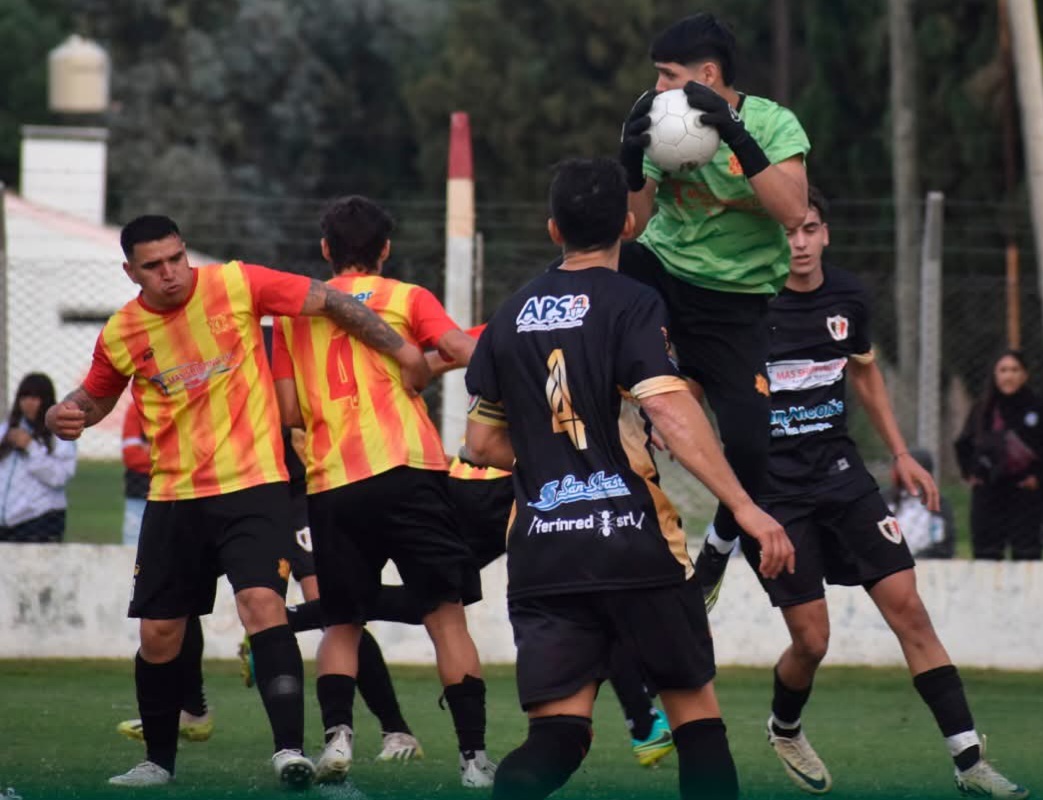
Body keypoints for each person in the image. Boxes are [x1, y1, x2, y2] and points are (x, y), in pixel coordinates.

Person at [45, 214, 431, 789]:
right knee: (160, 634)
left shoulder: (236, 284)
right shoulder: (123, 332)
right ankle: (157, 761)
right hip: (173, 496)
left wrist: (404, 351)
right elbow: (95, 397)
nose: (171, 273)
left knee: (261, 604)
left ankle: (288, 752)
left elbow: (327, 299)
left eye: (176, 258)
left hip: (254, 485)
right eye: (154, 266)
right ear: (131, 272)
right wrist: (64, 413)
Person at [464, 158, 793, 800]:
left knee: (556, 737)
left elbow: (479, 443)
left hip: (545, 549)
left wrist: (545, 456)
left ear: (552, 227)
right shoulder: (635, 301)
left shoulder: (508, 316)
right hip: (634, 540)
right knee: (697, 722)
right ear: (627, 222)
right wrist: (746, 509)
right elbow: (670, 406)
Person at [747, 187, 1027, 798]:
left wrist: (900, 453)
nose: (798, 243)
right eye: (788, 231)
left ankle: (969, 760)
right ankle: (785, 726)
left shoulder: (848, 296)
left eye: (809, 229)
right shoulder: (751, 302)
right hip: (775, 492)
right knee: (812, 640)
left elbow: (866, 372)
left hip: (842, 476)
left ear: (825, 235)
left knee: (909, 608)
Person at [271, 195, 494, 788]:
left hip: (332, 482)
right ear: (386, 250)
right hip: (407, 469)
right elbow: (458, 351)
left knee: (342, 622)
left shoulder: (296, 315)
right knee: (445, 618)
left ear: (325, 250)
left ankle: (339, 738)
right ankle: (474, 758)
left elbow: (289, 408)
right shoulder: (407, 297)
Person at [617, 12, 811, 608]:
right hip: (665, 275)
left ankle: (718, 550)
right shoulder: (661, 120)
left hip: (735, 307)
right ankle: (612, 437)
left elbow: (791, 211)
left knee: (752, 451)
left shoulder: (772, 122)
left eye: (668, 75)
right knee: (609, 265)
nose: (658, 88)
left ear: (708, 74)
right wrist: (630, 155)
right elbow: (636, 223)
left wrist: (732, 132)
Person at [955, 350, 1043, 561]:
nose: (1009, 376)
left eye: (1014, 370)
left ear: (1024, 375)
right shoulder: (983, 409)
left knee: (1026, 552)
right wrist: (971, 474)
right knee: (987, 552)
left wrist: (1037, 478)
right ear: (995, 375)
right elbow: (963, 444)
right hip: (989, 489)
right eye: (1003, 370)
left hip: (1025, 492)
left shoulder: (1036, 408)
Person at [0, 373, 76, 542]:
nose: (28, 403)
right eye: (24, 396)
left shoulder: (59, 435)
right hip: (6, 520)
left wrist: (30, 447)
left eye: (35, 397)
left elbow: (59, 477)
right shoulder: (6, 430)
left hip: (41, 518)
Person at [887, 448, 955, 559]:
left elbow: (942, 544)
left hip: (926, 565)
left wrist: (921, 558)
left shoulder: (937, 503)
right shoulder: (886, 501)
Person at [120, 404, 150, 548]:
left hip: (175, 492)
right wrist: (166, 454)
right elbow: (131, 456)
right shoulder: (137, 407)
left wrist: (149, 450)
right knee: (133, 546)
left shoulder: (182, 404)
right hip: (139, 490)